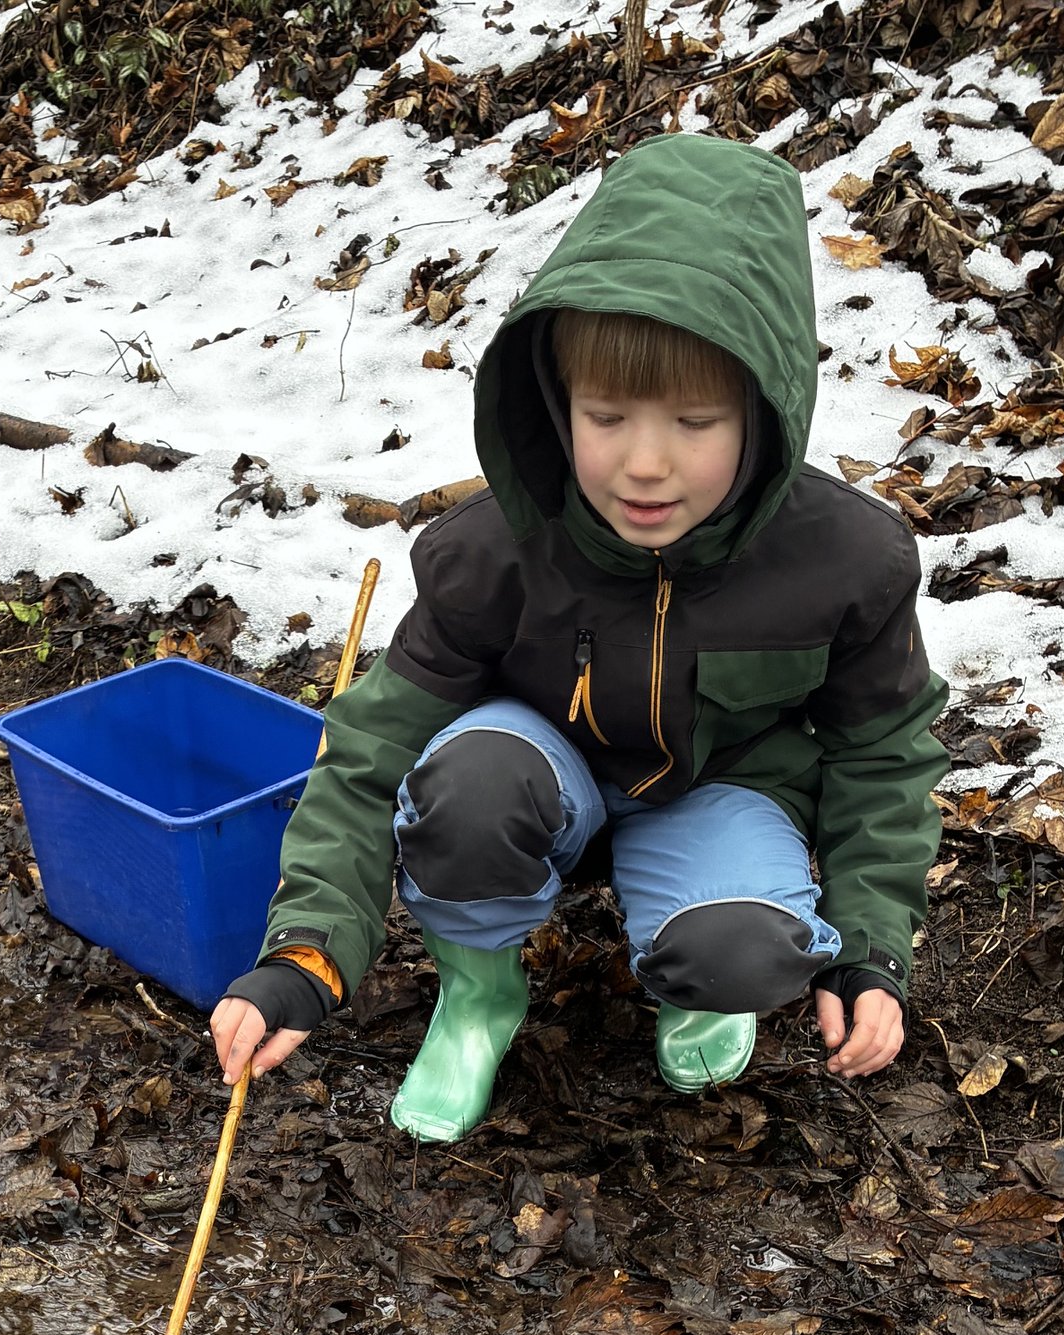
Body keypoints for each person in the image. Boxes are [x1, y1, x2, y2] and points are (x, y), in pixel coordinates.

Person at [209, 132, 950, 1142]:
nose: (646, 464)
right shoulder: (493, 552)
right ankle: (478, 995)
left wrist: (873, 952)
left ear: (765, 412)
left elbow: (882, 754)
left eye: (694, 422)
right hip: (538, 775)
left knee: (745, 949)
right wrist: (304, 955)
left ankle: (696, 986)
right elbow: (368, 753)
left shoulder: (847, 561)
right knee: (465, 794)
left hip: (720, 788)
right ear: (558, 406)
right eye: (608, 415)